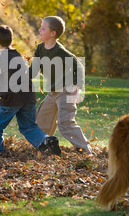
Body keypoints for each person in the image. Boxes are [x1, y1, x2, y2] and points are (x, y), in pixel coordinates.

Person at [0, 25, 61, 155]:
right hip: (28, 97)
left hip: (11, 100)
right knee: (29, 127)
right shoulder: (18, 56)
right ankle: (45, 141)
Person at [29, 16, 92, 154]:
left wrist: (77, 87)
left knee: (65, 123)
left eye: (43, 28)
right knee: (41, 121)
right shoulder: (40, 49)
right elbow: (33, 71)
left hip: (66, 91)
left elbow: (79, 66)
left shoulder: (60, 52)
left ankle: (86, 151)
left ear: (53, 33)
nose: (40, 29)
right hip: (53, 92)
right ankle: (42, 149)